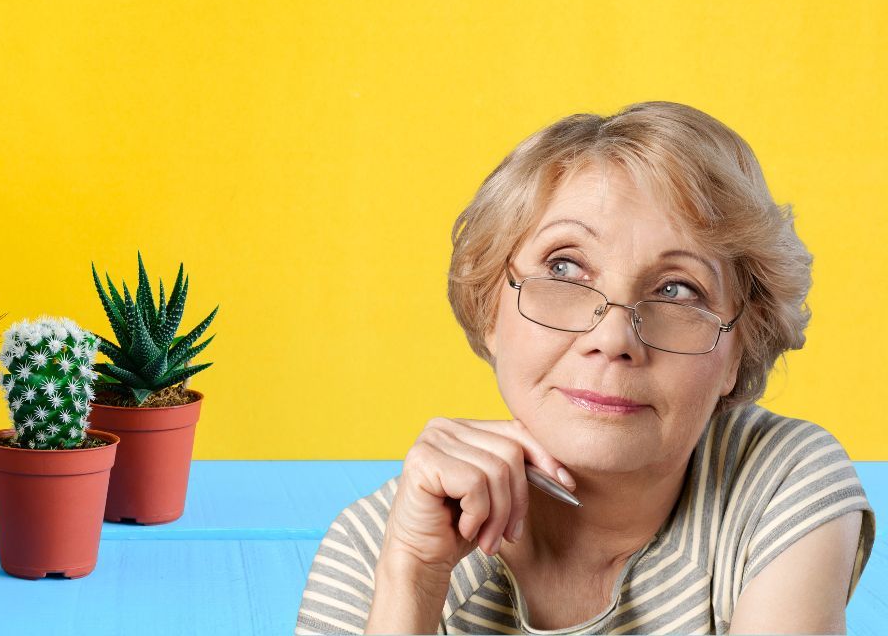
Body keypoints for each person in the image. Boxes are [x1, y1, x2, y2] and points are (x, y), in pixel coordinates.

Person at [296, 101, 875, 635]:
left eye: (677, 290)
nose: (612, 337)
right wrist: (414, 585)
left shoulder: (779, 480)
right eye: (566, 269)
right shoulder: (378, 550)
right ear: (489, 309)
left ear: (739, 351)